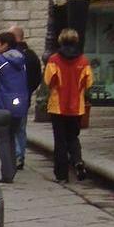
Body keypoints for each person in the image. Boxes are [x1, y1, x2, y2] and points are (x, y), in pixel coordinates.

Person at [44, 28, 92, 183]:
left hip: (57, 106)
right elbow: (89, 82)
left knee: (60, 141)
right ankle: (77, 160)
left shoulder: (54, 60)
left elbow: (48, 81)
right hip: (77, 106)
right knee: (73, 137)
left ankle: (62, 174)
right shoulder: (84, 61)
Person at [0, 32, 29, 183]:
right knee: (11, 136)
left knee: (2, 139)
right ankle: (12, 168)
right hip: (19, 104)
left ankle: (7, 173)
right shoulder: (22, 59)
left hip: (2, 103)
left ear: (5, 45)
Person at [8, 25, 43, 170]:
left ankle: (15, 155)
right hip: (24, 97)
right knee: (21, 127)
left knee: (11, 128)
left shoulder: (10, 55)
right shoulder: (32, 55)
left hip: (10, 97)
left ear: (15, 37)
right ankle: (19, 155)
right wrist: (28, 91)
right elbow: (37, 77)